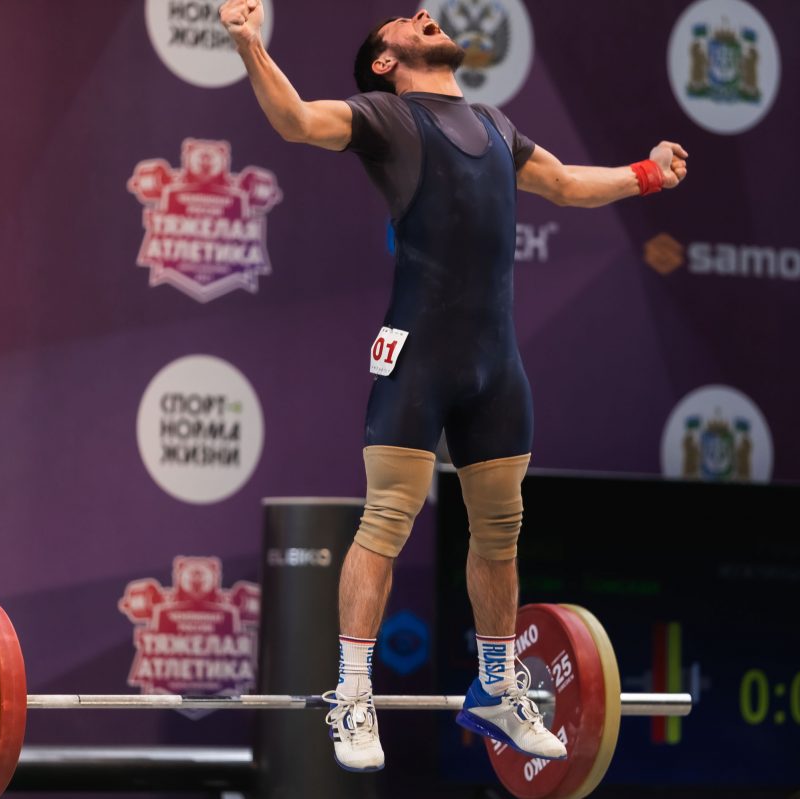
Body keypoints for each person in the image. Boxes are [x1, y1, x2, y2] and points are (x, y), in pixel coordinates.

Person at [220, 0, 688, 773]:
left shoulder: (498, 126)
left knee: (500, 532)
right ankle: (353, 693)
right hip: (419, 358)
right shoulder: (385, 117)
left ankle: (498, 689)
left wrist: (647, 174)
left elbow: (566, 184)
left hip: (495, 366)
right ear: (386, 61)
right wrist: (249, 45)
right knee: (386, 521)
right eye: (404, 21)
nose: (423, 12)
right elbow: (297, 121)